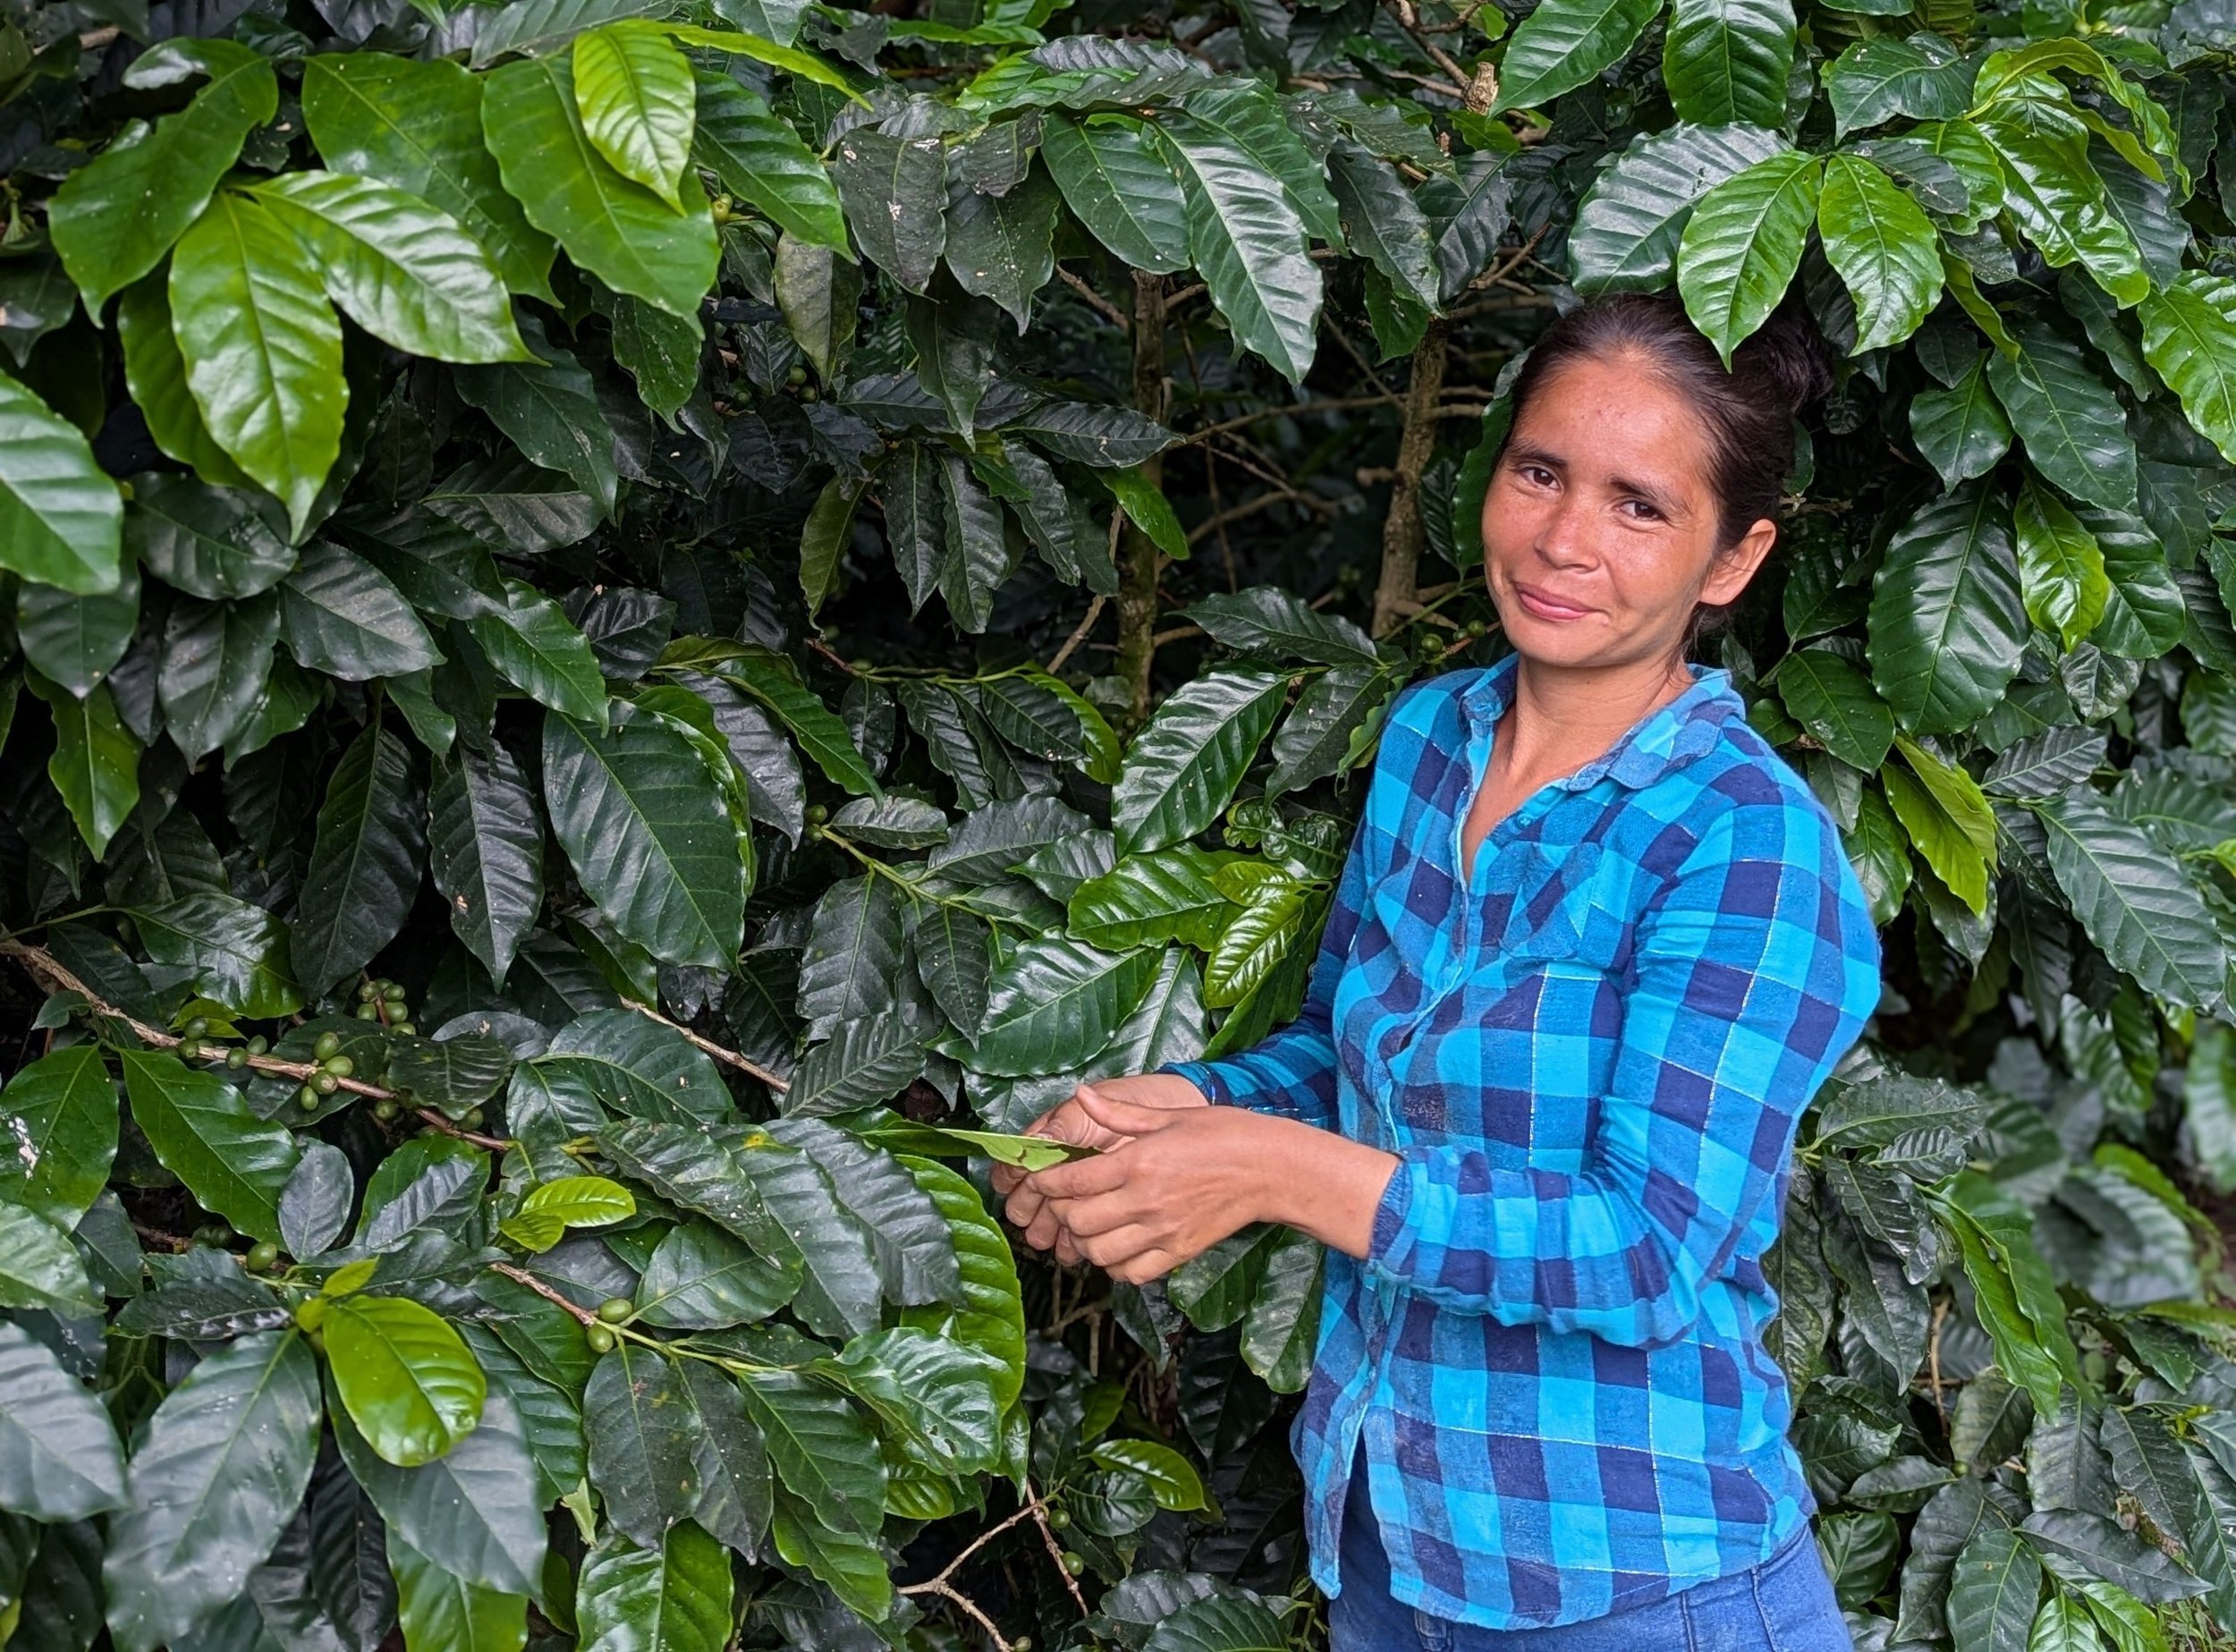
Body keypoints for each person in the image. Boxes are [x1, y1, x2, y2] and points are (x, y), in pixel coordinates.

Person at [993, 292, 1884, 1649]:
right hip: (1391, 1547)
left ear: (1733, 558)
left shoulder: (1746, 844)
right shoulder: (1430, 741)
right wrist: (1179, 1109)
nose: (1565, 540)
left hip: (1637, 1583)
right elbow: (1344, 1058)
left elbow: (1645, 1253)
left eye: (1640, 506)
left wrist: (1268, 1170)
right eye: (1541, 473)